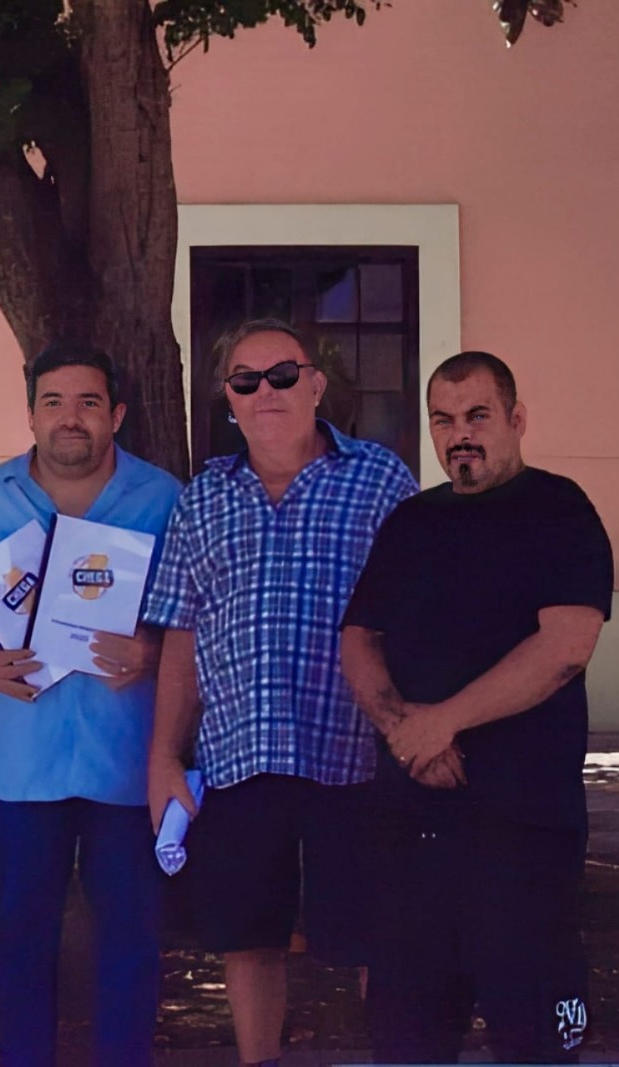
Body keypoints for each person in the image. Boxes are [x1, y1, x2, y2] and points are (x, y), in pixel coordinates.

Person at [143, 319, 417, 1067]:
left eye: (283, 375)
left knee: (375, 934)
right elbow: (182, 638)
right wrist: (164, 757)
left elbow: (419, 612)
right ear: (228, 399)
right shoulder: (203, 499)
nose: (266, 391)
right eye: (245, 379)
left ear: (317, 385)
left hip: (355, 755)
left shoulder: (381, 481)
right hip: (239, 756)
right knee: (249, 938)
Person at [341, 351, 611, 1063]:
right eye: (444, 420)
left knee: (535, 1041)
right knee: (406, 1041)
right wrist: (405, 733)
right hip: (412, 828)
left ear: (516, 419)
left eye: (477, 416)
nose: (460, 434)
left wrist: (443, 722)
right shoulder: (410, 522)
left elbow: (566, 647)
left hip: (524, 828)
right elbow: (359, 637)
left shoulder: (560, 511)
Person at [0, 340, 181, 1066]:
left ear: (117, 414)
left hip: (127, 765)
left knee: (131, 943)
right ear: (32, 414)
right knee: (20, 942)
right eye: (54, 402)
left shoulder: (163, 498)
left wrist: (152, 652)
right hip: (21, 767)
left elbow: (197, 615)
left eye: (89, 403)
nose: (71, 418)